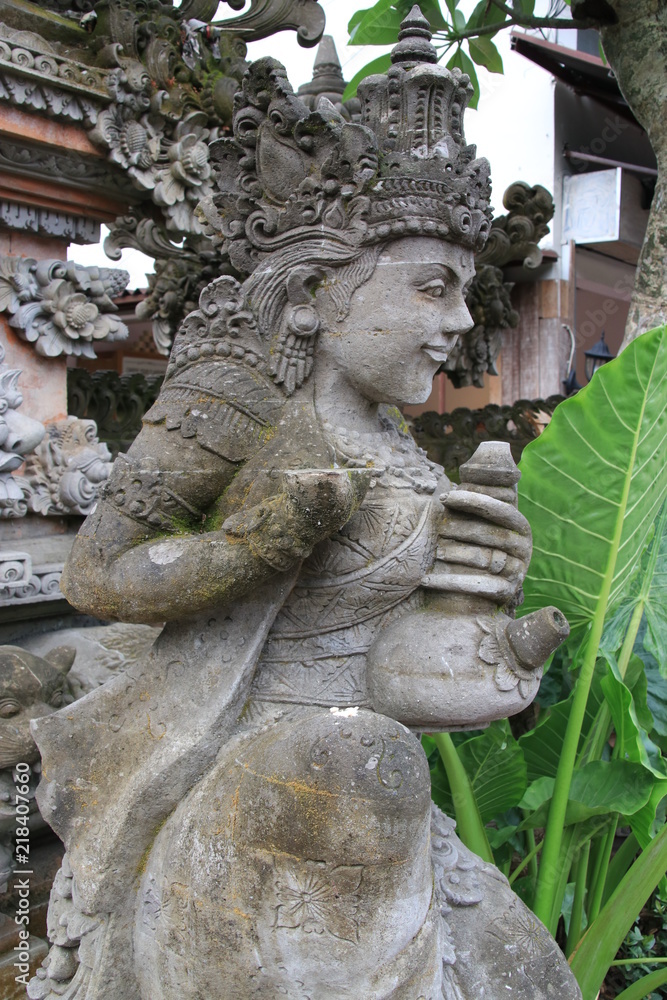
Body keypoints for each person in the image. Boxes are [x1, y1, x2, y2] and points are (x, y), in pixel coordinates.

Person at [29, 11, 580, 999]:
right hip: (262, 773)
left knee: (525, 971)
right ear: (321, 294)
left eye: (464, 293)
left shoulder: (401, 447)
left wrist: (486, 642)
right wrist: (251, 547)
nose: (459, 321)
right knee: (359, 759)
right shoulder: (233, 405)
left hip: (370, 791)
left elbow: (385, 663)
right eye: (432, 288)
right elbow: (94, 574)